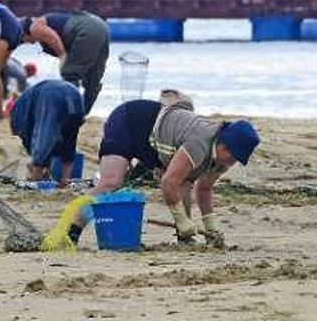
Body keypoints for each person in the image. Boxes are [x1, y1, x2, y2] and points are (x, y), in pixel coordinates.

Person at [68, 93, 260, 246]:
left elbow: (204, 188)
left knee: (185, 181)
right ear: (223, 145)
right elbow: (168, 182)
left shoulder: (223, 158)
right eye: (232, 156)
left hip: (156, 144)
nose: (231, 163)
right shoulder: (199, 144)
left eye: (237, 159)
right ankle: (71, 230)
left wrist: (211, 227)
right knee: (111, 182)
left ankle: (184, 238)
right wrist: (181, 219)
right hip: (129, 121)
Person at [21, 10, 110, 114]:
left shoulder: (35, 27)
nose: (25, 43)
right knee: (93, 78)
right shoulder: (46, 23)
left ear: (24, 32)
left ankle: (73, 112)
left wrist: (62, 56)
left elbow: (54, 39)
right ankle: (83, 112)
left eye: (23, 40)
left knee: (70, 74)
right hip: (101, 27)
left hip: (85, 29)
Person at [9, 79, 85, 186]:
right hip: (76, 96)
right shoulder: (27, 103)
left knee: (44, 136)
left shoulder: (20, 116)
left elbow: (40, 137)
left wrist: (36, 165)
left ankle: (37, 177)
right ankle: (66, 179)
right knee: (70, 137)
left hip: (51, 96)